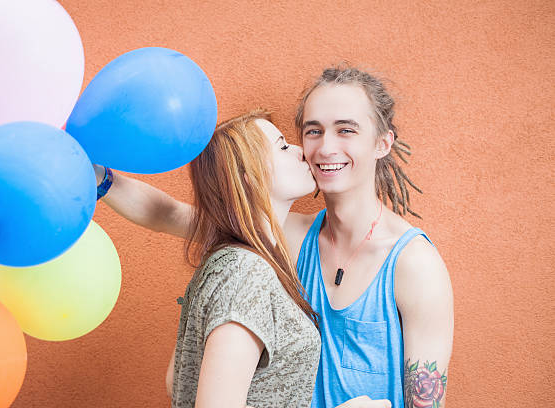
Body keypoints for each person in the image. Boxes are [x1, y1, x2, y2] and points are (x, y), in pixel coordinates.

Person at [95, 109, 392, 408]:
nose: (302, 151)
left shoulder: (239, 260)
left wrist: (99, 178)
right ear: (249, 177)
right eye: (283, 147)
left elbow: (177, 380)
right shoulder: (245, 272)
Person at [285, 66, 454, 408]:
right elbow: (180, 218)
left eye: (346, 130)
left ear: (382, 143)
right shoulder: (290, 237)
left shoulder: (414, 264)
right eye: (313, 131)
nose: (325, 148)